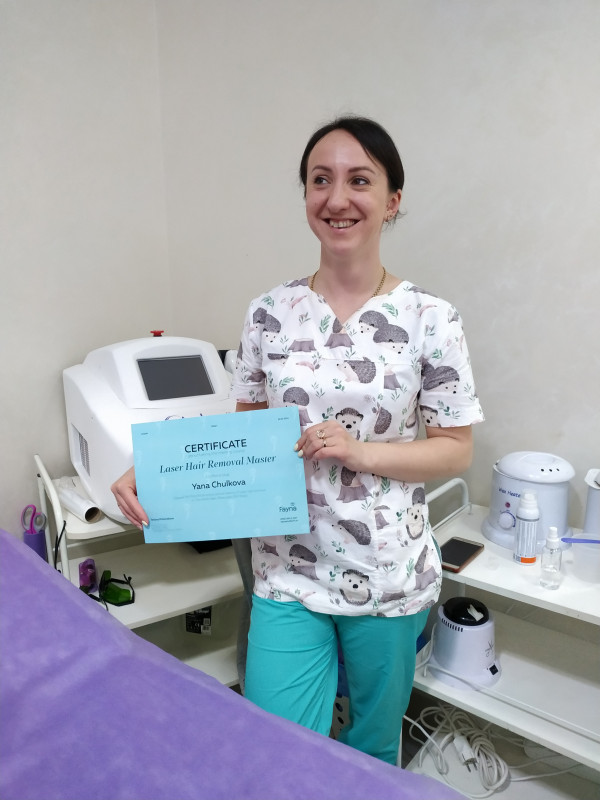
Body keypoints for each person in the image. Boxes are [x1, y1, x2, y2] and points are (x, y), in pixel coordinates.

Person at [112, 115, 484, 765]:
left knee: (372, 752)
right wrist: (158, 466)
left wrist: (361, 452)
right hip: (288, 570)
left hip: (388, 575)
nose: (337, 198)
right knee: (278, 751)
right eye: (320, 180)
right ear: (307, 195)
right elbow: (247, 435)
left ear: (393, 200)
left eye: (359, 180)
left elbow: (455, 447)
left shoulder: (431, 319)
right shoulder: (269, 313)